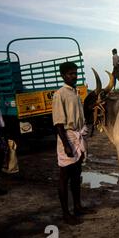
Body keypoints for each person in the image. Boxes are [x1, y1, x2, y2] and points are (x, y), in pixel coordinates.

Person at [52, 62, 94, 225]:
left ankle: (77, 206)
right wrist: (66, 145)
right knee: (65, 175)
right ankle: (66, 214)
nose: (74, 76)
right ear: (63, 75)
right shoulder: (60, 94)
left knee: (77, 174)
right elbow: (58, 123)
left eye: (75, 73)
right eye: (70, 74)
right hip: (67, 137)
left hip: (78, 135)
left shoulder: (75, 93)